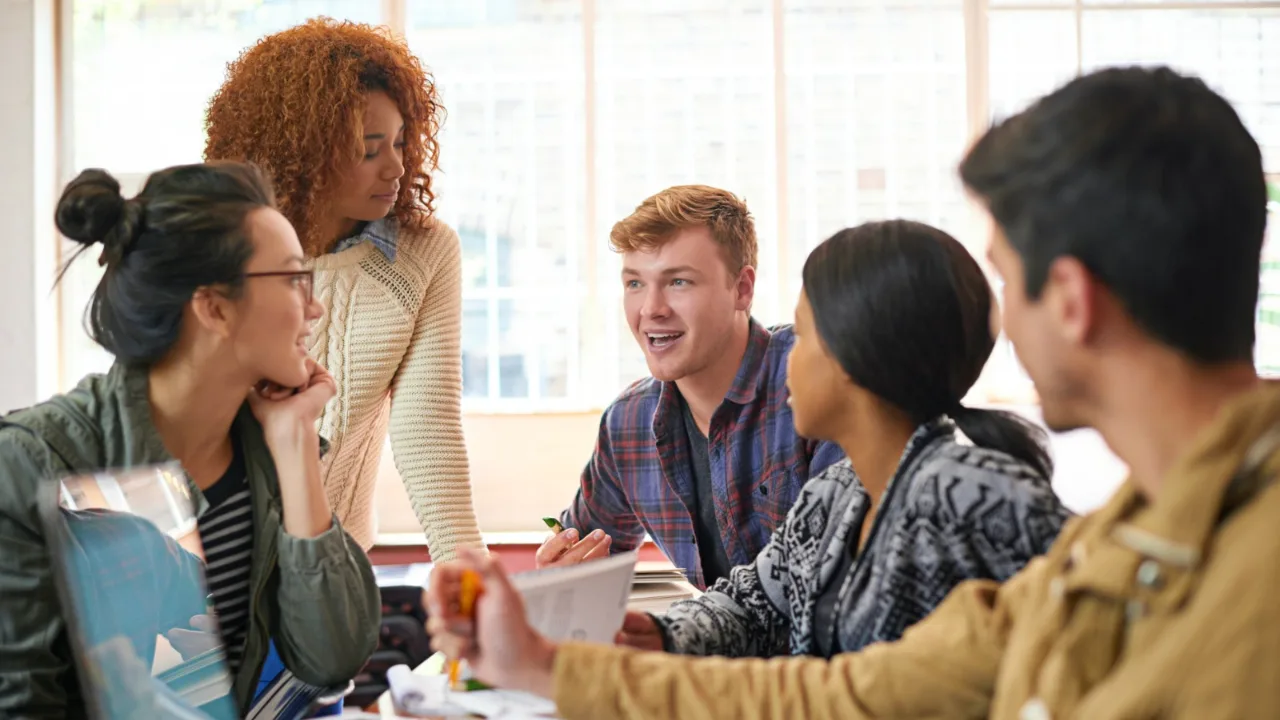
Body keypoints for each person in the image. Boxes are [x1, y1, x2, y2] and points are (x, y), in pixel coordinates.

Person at [426, 66, 1280, 718]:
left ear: (1069, 300)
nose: (1000, 322)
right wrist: (547, 662)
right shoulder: (1109, 547)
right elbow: (841, 692)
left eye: (1008, 280)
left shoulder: (1236, 568)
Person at [0, 162, 381, 717]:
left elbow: (332, 659)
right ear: (214, 307)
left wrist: (296, 443)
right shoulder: (35, 464)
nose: (315, 306)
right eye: (295, 279)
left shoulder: (263, 451)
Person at [614, 220, 1068, 658]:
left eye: (804, 334)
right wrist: (658, 633)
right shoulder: (836, 495)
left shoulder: (969, 497)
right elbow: (751, 607)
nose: (787, 359)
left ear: (856, 357)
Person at [204, 18, 484, 557]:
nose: (398, 167)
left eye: (402, 143)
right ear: (303, 155)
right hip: (213, 562)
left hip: (337, 564)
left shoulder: (424, 253)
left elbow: (429, 429)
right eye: (368, 150)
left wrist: (467, 574)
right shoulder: (220, 250)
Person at [538, 185, 844, 589]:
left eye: (678, 282)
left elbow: (834, 586)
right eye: (634, 284)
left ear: (742, 289)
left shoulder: (815, 382)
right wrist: (562, 576)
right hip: (708, 644)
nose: (651, 309)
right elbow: (583, 565)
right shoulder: (628, 423)